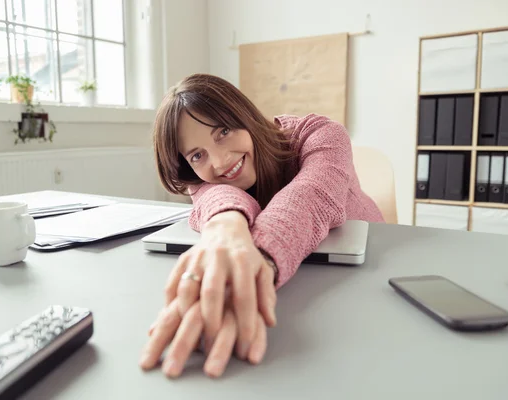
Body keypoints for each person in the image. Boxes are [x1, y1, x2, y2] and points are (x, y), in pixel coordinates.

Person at [140, 73, 385, 378]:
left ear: (244, 114)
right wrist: (226, 226)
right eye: (197, 154)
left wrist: (250, 272)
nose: (219, 162)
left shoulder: (321, 134)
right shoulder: (201, 178)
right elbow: (215, 197)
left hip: (369, 276)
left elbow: (310, 197)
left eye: (223, 131)